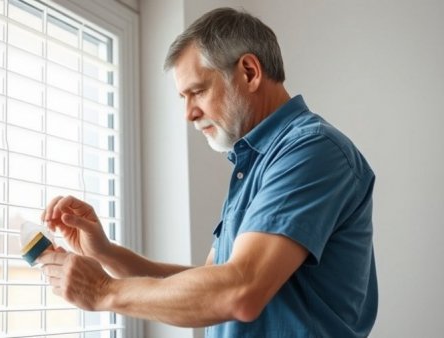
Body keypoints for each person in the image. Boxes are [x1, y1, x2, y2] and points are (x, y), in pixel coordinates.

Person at [40, 7, 378, 338]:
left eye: (197, 91)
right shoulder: (257, 162)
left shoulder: (311, 150)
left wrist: (103, 292)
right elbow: (211, 281)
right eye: (183, 97)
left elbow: (239, 291)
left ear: (248, 72)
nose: (188, 113)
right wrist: (106, 254)